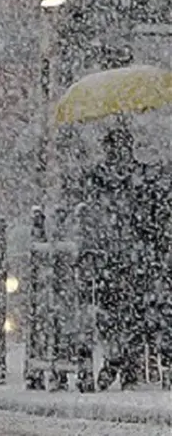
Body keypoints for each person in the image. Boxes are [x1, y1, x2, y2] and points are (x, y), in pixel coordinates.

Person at [84, 126, 149, 390]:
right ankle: (120, 361)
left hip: (122, 256)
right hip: (118, 256)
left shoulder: (106, 178)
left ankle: (120, 362)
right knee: (117, 314)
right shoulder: (109, 177)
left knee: (123, 314)